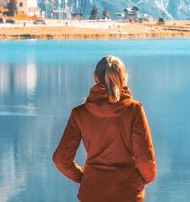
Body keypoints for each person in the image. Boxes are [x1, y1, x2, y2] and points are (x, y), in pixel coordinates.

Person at [52, 55, 156, 201]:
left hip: (92, 193)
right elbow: (145, 160)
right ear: (123, 78)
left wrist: (84, 178)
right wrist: (142, 180)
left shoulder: (79, 113)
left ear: (95, 77)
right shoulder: (134, 110)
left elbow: (61, 159)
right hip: (128, 194)